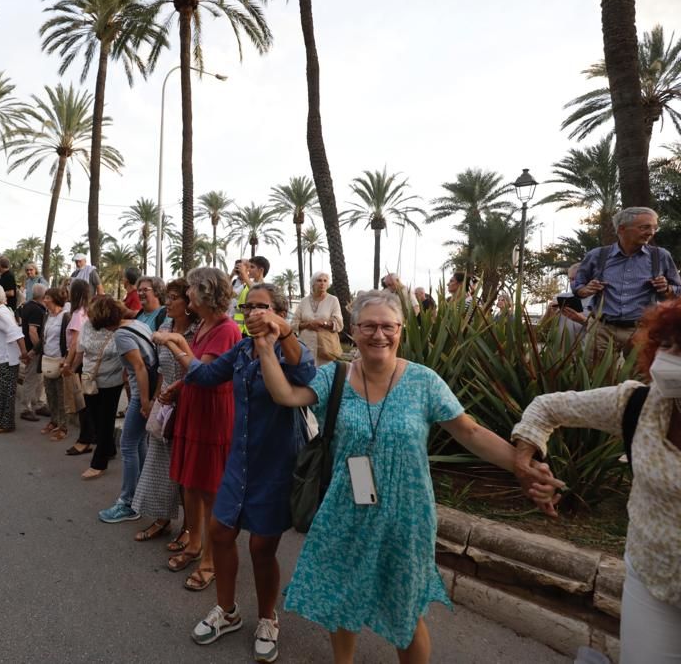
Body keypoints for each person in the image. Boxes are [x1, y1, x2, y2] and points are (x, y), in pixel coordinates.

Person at [255, 290, 558, 663]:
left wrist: (521, 465)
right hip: (345, 511)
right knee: (342, 600)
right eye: (369, 326)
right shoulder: (335, 376)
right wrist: (267, 347)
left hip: (406, 516)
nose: (379, 334)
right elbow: (286, 395)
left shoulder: (423, 382)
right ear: (353, 330)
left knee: (406, 611)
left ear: (400, 330)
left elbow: (469, 432)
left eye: (388, 326)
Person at [512, 298, 681, 662]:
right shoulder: (639, 405)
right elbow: (546, 408)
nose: (671, 359)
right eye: (667, 345)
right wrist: (525, 462)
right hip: (653, 580)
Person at [162, 283, 315, 662]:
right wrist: (177, 347)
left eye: (263, 307)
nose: (254, 313)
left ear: (280, 312)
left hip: (276, 463)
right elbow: (207, 375)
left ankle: (267, 618)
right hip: (240, 460)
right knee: (220, 531)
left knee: (262, 547)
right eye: (248, 307)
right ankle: (227, 611)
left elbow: (306, 370)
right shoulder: (243, 349)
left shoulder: (288, 349)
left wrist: (285, 332)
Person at [163, 267, 241, 589]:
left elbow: (207, 374)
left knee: (209, 490)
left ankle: (210, 559)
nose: (188, 294)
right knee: (190, 484)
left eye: (192, 289)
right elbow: (195, 370)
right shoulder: (204, 325)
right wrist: (179, 387)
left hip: (213, 414)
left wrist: (174, 342)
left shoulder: (226, 329)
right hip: (194, 407)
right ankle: (194, 544)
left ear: (205, 292)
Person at [132, 278, 199, 543]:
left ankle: (189, 529)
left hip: (187, 403)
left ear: (189, 302)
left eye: (174, 298)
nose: (168, 303)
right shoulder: (165, 325)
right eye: (167, 297)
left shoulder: (197, 332)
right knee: (159, 465)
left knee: (185, 471)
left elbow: (198, 370)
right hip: (165, 404)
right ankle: (162, 519)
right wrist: (151, 401)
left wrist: (176, 392)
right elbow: (160, 369)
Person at [573, 206, 680, 360]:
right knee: (595, 379)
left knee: (640, 380)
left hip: (642, 330)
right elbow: (578, 285)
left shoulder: (661, 256)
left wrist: (667, 288)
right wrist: (585, 290)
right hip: (602, 329)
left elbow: (678, 291)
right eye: (645, 227)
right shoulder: (597, 255)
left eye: (654, 228)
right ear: (622, 229)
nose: (651, 232)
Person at [96, 297, 158, 525]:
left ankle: (128, 502)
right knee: (137, 441)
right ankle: (139, 494)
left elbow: (140, 367)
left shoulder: (121, 334)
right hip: (148, 390)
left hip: (142, 392)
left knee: (128, 445)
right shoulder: (136, 323)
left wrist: (144, 401)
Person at [77, 296, 125, 480]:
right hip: (90, 379)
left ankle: (99, 463)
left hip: (112, 382)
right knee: (96, 418)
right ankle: (109, 448)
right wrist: (70, 366)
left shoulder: (118, 328)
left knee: (104, 421)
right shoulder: (88, 326)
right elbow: (79, 347)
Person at [0, 282, 27, 434]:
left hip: (6, 358)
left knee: (5, 392)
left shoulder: (2, 313)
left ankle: (6, 423)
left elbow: (16, 333)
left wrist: (24, 354)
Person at [61, 279, 93, 452]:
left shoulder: (77, 314)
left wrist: (68, 363)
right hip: (88, 360)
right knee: (87, 401)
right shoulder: (88, 312)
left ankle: (85, 439)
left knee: (82, 403)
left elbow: (75, 342)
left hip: (78, 361)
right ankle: (90, 436)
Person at [292, 271, 345, 366]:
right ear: (313, 283)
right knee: (306, 375)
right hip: (305, 347)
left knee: (325, 375)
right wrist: (308, 324)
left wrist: (323, 323)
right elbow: (293, 324)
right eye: (319, 280)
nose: (322, 283)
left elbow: (339, 324)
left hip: (326, 349)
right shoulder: (304, 301)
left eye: (325, 281)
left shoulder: (333, 300)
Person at [39, 287, 69, 440]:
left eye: (48, 298)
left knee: (61, 396)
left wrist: (66, 357)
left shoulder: (65, 317)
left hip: (60, 360)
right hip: (47, 359)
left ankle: (63, 427)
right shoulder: (47, 316)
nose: (45, 300)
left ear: (55, 299)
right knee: (50, 394)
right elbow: (43, 339)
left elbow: (70, 340)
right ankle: (53, 421)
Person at [18, 284, 47, 422]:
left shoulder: (28, 306)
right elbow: (32, 331)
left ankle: (37, 404)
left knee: (38, 378)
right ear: (43, 295)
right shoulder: (37, 310)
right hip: (33, 350)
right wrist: (38, 349)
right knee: (31, 378)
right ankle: (26, 408)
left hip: (31, 349)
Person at [232, 256, 269, 335]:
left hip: (253, 332)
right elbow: (229, 295)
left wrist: (244, 273)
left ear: (261, 270)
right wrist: (232, 275)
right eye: (249, 267)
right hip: (239, 331)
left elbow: (256, 290)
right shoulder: (245, 286)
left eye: (252, 267)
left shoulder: (266, 288)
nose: (249, 270)